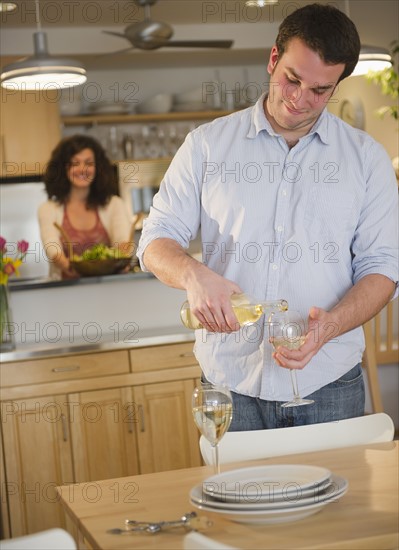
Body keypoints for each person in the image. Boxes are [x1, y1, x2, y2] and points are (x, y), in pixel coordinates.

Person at [137, 4, 398, 429]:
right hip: (229, 386)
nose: (299, 99)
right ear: (273, 58)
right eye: (292, 79)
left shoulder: (366, 160)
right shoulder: (206, 146)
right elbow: (155, 239)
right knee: (235, 497)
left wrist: (330, 326)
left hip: (329, 384)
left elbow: (382, 269)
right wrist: (192, 274)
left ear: (337, 86)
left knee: (335, 499)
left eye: (319, 90)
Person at [39, 135, 132, 279]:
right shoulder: (48, 209)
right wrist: (73, 268)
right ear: (63, 168)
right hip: (64, 292)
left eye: (89, 163)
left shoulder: (114, 205)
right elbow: (53, 250)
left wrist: (122, 259)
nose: (82, 169)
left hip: (107, 290)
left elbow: (122, 242)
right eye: (75, 163)